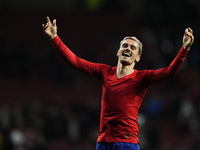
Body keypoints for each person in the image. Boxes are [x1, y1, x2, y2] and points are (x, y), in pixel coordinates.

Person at [42, 16, 194, 150]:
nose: (128, 49)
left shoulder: (141, 77)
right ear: (118, 51)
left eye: (133, 48)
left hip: (126, 142)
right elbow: (75, 61)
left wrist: (184, 49)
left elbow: (169, 72)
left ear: (138, 57)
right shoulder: (104, 71)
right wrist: (54, 38)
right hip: (103, 142)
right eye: (125, 46)